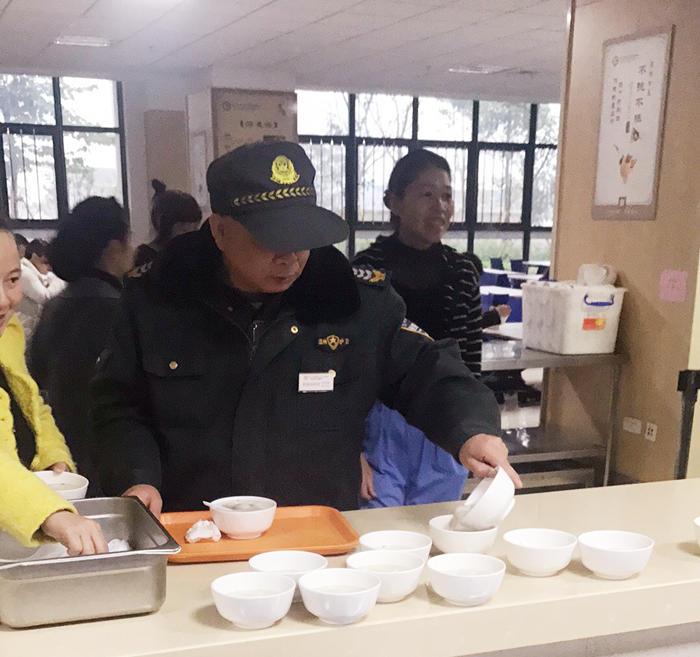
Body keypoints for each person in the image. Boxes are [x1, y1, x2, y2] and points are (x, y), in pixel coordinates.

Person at [90, 141, 521, 517]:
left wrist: (472, 428)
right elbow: (117, 406)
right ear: (219, 231)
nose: (290, 258)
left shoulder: (354, 303)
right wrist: (135, 477)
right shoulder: (157, 301)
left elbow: (427, 369)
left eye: (301, 238)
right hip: (193, 531)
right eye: (269, 240)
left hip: (315, 537)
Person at [353, 150, 487, 508]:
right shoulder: (366, 269)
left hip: (443, 421)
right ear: (393, 202)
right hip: (380, 423)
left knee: (433, 523)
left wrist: (474, 427)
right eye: (426, 194)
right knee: (377, 525)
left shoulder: (461, 272)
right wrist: (348, 444)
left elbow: (469, 361)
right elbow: (350, 358)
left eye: (447, 196)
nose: (439, 206)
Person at [0, 225, 107, 555]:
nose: (4, 301)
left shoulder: (8, 333)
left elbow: (31, 402)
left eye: (12, 280)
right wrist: (52, 514)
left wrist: (53, 457)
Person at [30, 197, 132, 493]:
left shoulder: (56, 306)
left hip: (59, 455)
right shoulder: (117, 309)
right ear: (113, 246)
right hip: (111, 457)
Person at [133, 180, 202, 268]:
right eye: (184, 229)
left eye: (196, 228)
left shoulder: (189, 253)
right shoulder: (145, 256)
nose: (193, 235)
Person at [17, 239, 65, 344]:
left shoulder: (29, 272)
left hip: (27, 330)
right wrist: (59, 279)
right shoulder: (25, 272)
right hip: (23, 331)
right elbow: (44, 297)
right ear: (34, 256)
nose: (49, 267)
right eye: (45, 262)